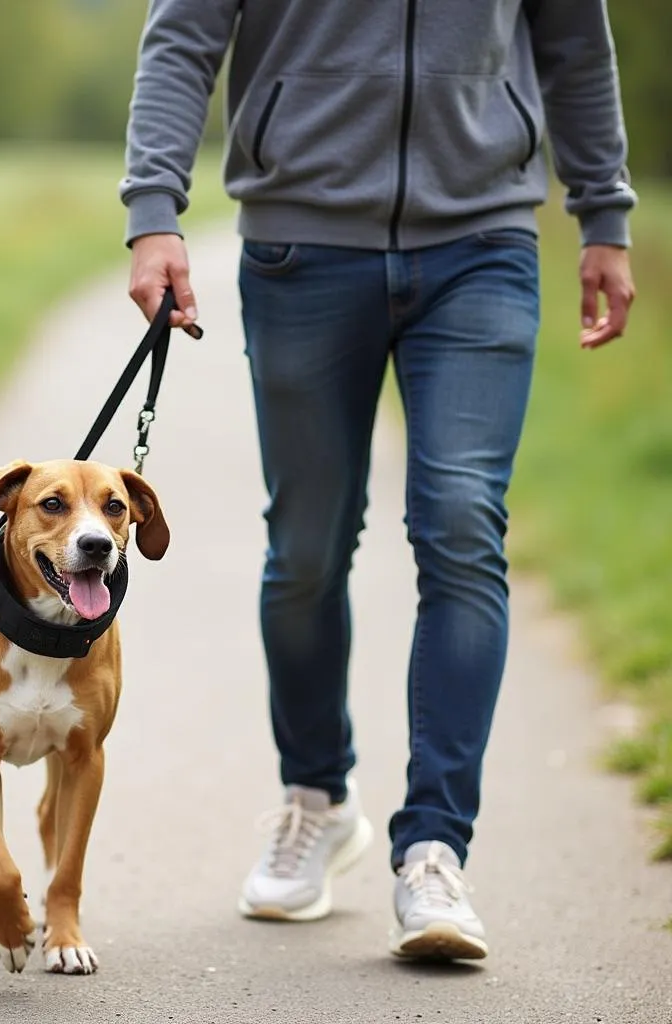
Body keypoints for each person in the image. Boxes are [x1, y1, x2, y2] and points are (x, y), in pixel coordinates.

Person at [120, 0, 636, 960]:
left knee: (461, 522)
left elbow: (574, 41)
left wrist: (603, 211)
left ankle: (435, 851)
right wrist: (155, 210)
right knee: (308, 547)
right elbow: (182, 34)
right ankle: (316, 797)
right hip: (299, 249)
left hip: (482, 243)